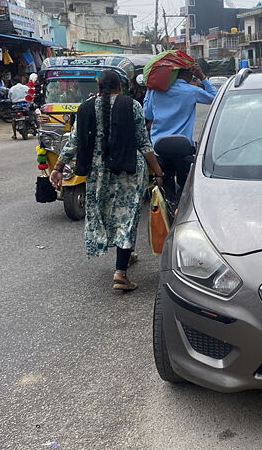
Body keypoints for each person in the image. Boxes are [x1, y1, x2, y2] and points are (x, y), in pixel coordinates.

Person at [50, 70, 165, 291]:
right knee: (127, 216)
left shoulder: (85, 108)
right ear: (120, 87)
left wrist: (58, 168)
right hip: (129, 171)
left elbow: (73, 142)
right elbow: (143, 143)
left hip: (98, 172)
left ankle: (126, 254)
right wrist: (158, 171)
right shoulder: (132, 106)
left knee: (105, 213)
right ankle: (121, 272)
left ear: (98, 87)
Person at [144, 64, 217, 203]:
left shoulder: (156, 91)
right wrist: (202, 77)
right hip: (183, 149)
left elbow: (147, 113)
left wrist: (150, 89)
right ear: (187, 73)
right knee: (185, 191)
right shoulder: (191, 91)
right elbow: (215, 98)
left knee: (165, 192)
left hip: (159, 149)